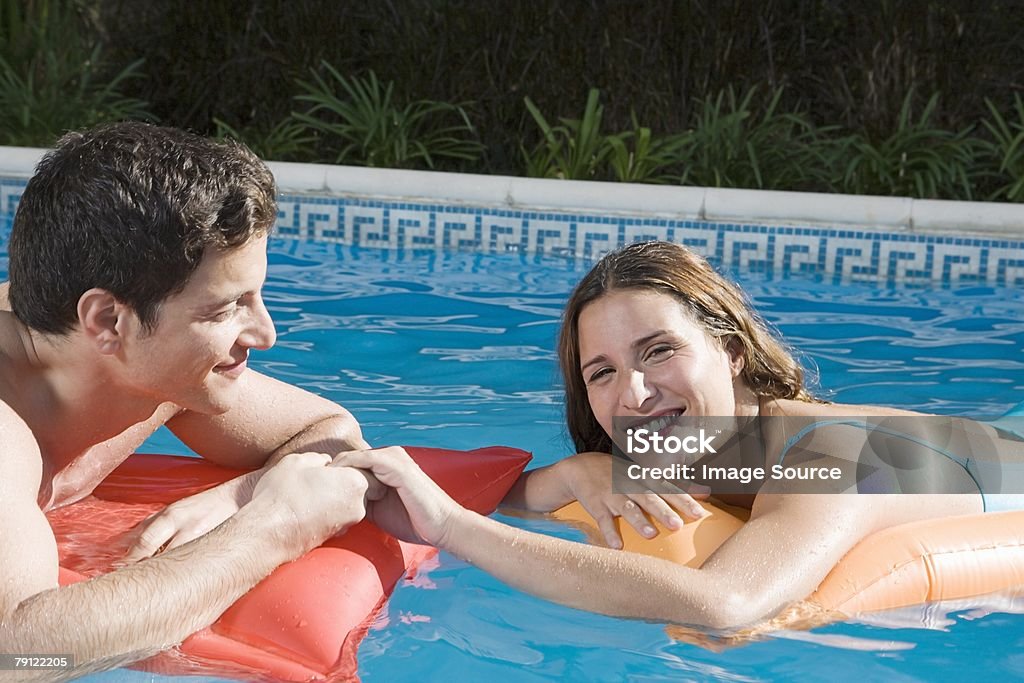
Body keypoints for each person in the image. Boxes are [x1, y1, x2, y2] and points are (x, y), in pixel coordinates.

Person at [0, 124, 693, 677]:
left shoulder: (144, 369)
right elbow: (19, 655)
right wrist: (272, 526)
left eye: (258, 298)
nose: (266, 333)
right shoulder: (14, 427)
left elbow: (328, 429)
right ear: (107, 322)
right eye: (229, 306)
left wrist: (243, 494)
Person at [334, 240, 1023, 629]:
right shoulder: (705, 443)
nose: (634, 393)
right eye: (602, 372)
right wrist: (574, 475)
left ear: (730, 350)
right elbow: (519, 491)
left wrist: (453, 528)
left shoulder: (831, 455)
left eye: (659, 350)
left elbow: (725, 605)